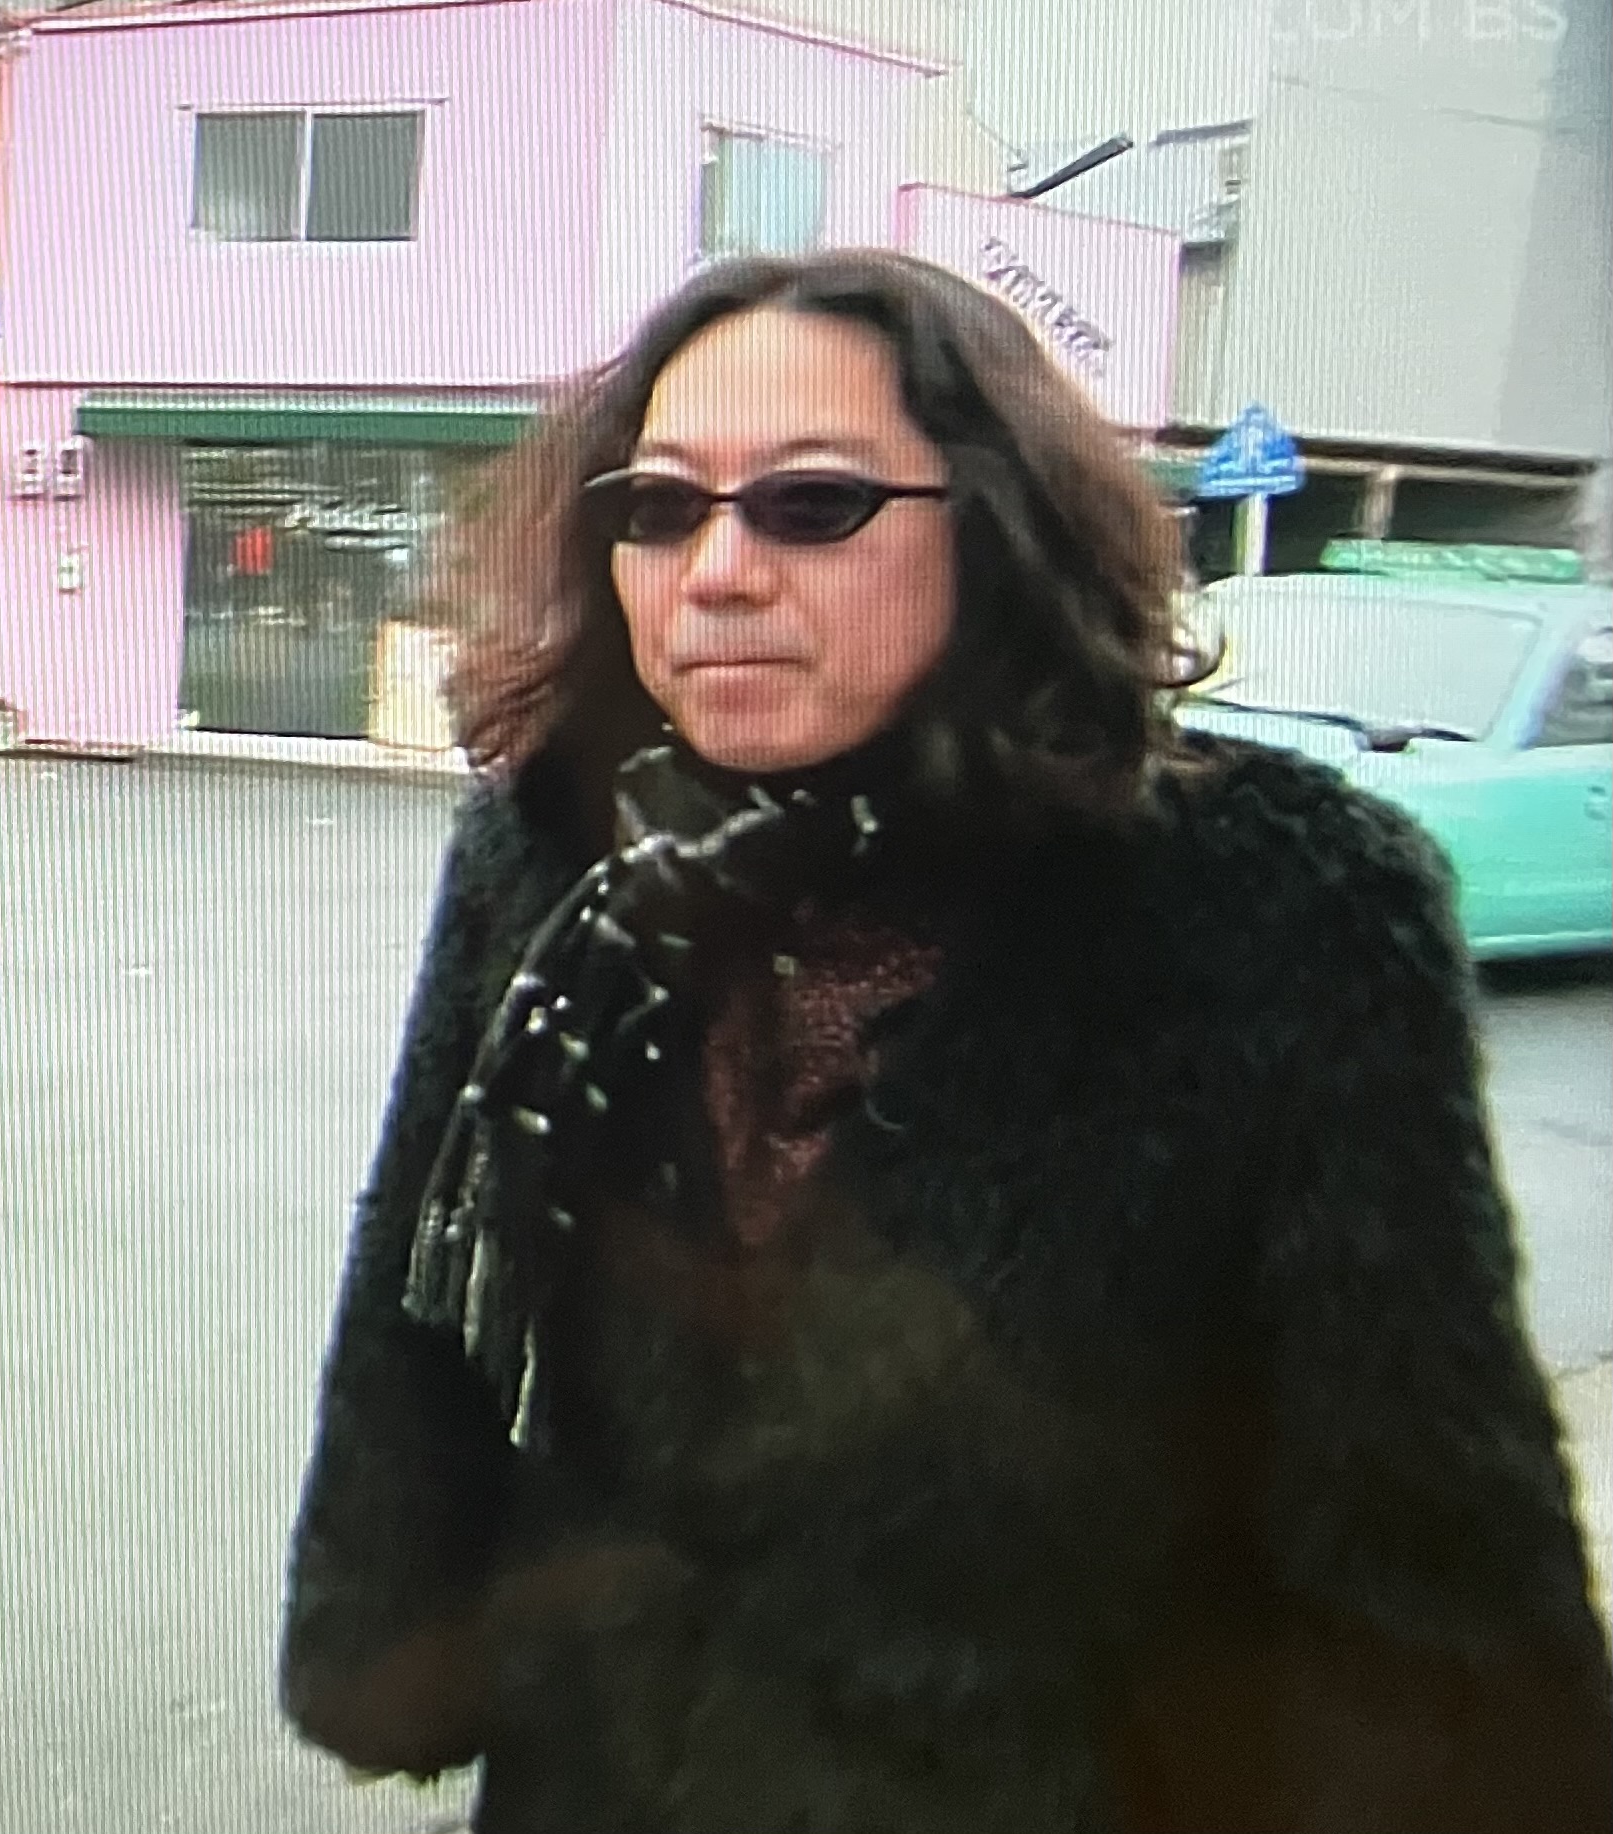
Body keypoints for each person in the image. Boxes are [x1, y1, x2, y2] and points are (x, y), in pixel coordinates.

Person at [277, 247, 1613, 1832]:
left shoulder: (1279, 903)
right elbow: (418, 1276)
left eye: (811, 504)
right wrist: (388, 1615)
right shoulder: (560, 856)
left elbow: (1419, 1513)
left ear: (991, 528)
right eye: (659, 507)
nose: (715, 571)